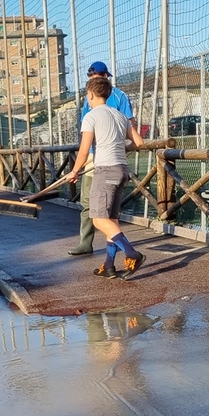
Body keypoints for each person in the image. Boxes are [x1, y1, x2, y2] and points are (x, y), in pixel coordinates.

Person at [66, 76, 147, 279]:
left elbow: (84, 151)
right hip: (122, 171)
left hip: (105, 171)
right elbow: (139, 142)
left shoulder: (91, 117)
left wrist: (74, 171)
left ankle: (132, 253)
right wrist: (121, 147)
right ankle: (109, 265)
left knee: (98, 219)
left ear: (91, 94)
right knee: (111, 219)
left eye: (87, 95)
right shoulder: (119, 116)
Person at [70, 61, 136, 255]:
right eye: (91, 79)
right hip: (96, 156)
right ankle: (93, 248)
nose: (94, 81)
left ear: (105, 77)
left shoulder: (119, 97)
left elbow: (130, 130)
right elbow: (87, 133)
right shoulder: (88, 105)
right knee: (89, 202)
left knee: (101, 216)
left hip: (107, 160)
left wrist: (74, 170)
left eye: (97, 77)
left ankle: (131, 252)